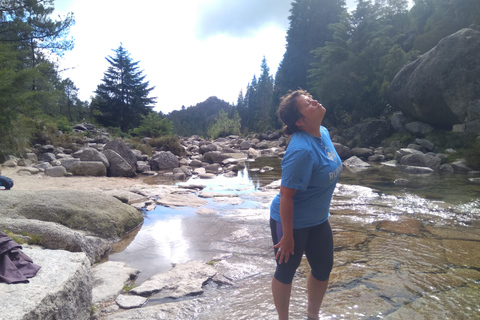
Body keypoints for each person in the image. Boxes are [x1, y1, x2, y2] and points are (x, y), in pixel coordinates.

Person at [270, 90, 342, 320]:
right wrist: (288, 236)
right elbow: (286, 196)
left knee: (323, 269)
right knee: (286, 270)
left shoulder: (323, 132)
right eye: (308, 104)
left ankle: (313, 316)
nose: (315, 102)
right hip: (291, 221)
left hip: (319, 218)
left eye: (311, 98)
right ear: (300, 121)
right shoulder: (301, 151)